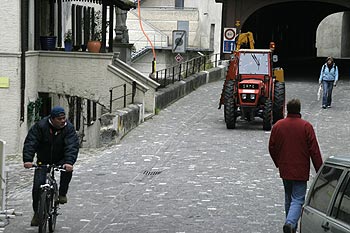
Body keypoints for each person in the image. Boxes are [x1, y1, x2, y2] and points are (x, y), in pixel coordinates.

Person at [268, 99, 323, 233]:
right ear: (299, 110)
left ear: (287, 109)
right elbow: (314, 151)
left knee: (288, 197)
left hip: (285, 169)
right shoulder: (306, 126)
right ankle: (291, 223)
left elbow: (271, 147)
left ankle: (290, 225)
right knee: (298, 199)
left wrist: (278, 162)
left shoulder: (278, 126)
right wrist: (320, 170)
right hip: (300, 169)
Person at [23, 106, 79, 226]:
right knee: (37, 187)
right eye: (60, 119)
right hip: (43, 159)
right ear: (52, 119)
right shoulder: (41, 126)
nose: (63, 121)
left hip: (61, 158)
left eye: (64, 118)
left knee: (67, 170)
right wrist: (28, 160)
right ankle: (37, 213)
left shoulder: (68, 128)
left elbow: (72, 146)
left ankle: (62, 193)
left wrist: (69, 162)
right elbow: (31, 142)